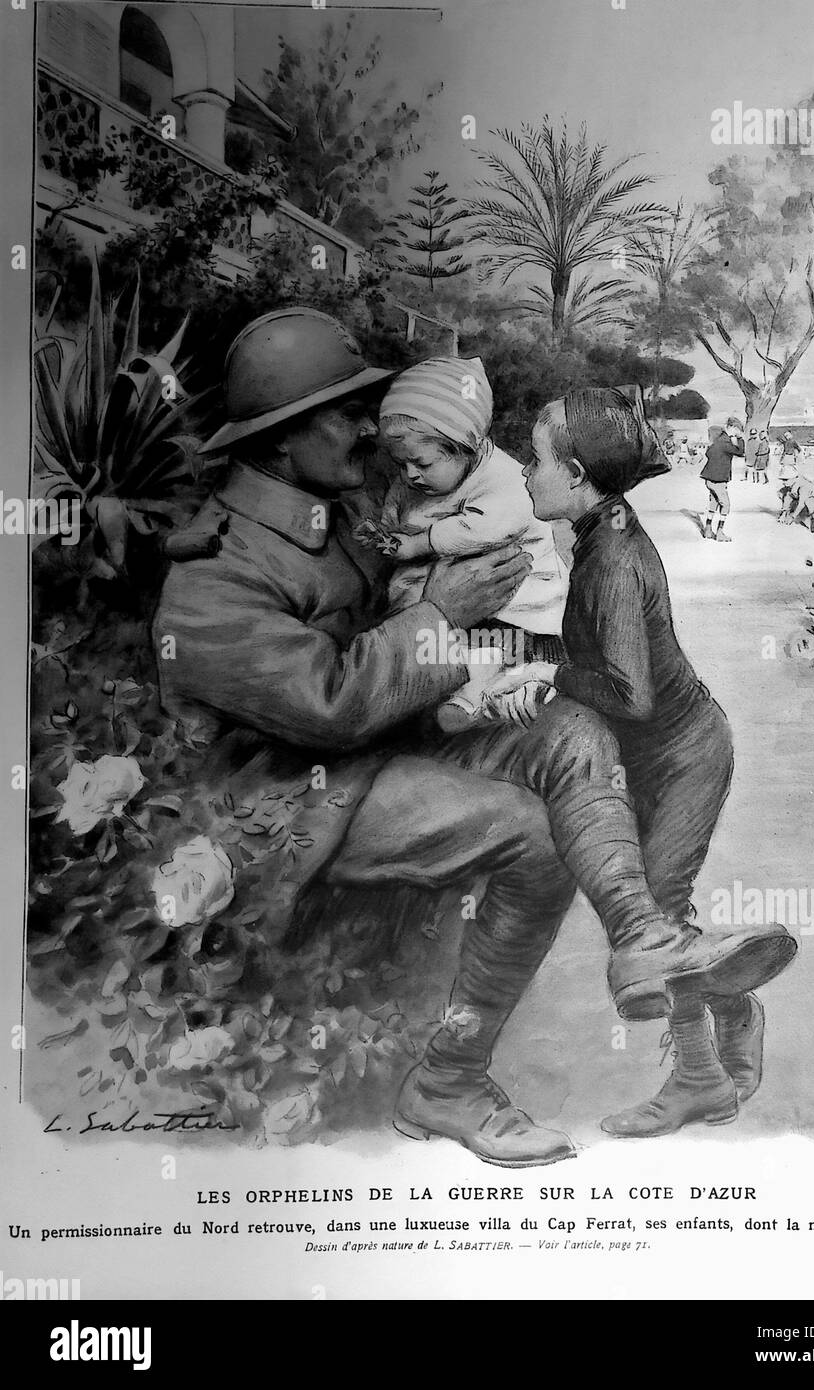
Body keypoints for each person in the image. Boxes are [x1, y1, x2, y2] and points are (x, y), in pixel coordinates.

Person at [154, 308, 584, 1168]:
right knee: (536, 838)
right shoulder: (215, 572)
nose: (367, 429)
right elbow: (329, 706)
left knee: (575, 734)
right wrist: (441, 616)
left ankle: (651, 939)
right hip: (288, 795)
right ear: (280, 441)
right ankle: (450, 1082)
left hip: (379, 746)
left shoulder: (339, 513)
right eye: (343, 414)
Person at [482, 386, 797, 1136]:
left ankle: (701, 1076)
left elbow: (630, 693)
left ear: (577, 474)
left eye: (537, 458)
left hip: (684, 756)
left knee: (658, 926)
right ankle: (724, 1031)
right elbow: (601, 654)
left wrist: (546, 673)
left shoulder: (612, 557)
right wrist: (528, 655)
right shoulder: (600, 532)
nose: (525, 471)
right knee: (662, 927)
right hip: (654, 754)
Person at [373, 356, 568, 731]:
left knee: (492, 650)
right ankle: (453, 698)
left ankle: (473, 698)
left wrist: (417, 544)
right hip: (455, 596)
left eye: (422, 463)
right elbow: (397, 513)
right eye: (400, 464)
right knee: (436, 647)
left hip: (517, 604)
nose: (410, 475)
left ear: (467, 447)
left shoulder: (503, 479)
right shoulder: (413, 482)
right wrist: (388, 537)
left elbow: (484, 530)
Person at [700, 417, 745, 540]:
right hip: (718, 479)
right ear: (732, 427)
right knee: (726, 505)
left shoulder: (718, 439)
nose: (739, 432)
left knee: (713, 503)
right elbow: (740, 452)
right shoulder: (726, 442)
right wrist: (739, 439)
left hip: (709, 478)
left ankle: (708, 530)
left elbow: (708, 453)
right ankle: (720, 533)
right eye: (738, 430)